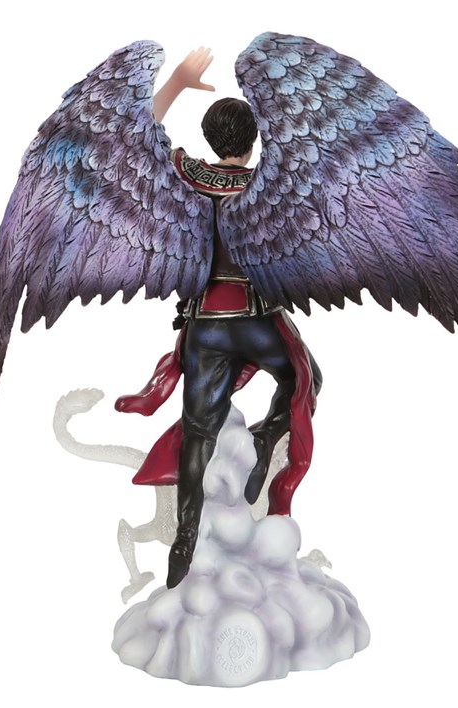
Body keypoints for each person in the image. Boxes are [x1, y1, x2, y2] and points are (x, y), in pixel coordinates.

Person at [146, 49, 321, 588]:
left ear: (210, 138)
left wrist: (176, 82)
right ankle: (267, 437)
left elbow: (137, 136)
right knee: (304, 379)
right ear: (252, 141)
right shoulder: (270, 181)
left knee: (198, 432)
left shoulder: (185, 174)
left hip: (205, 322)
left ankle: (185, 535)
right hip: (258, 317)